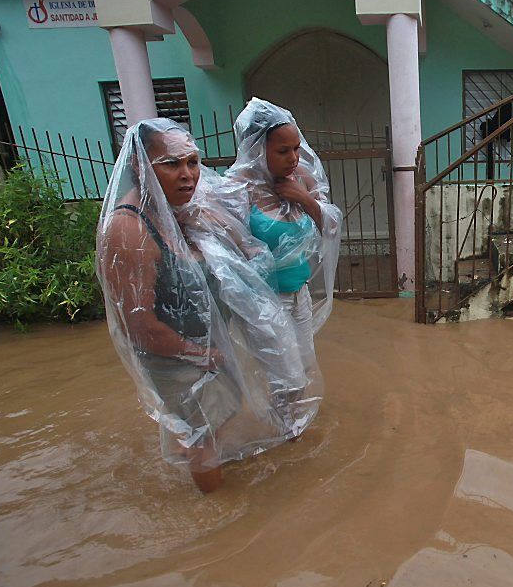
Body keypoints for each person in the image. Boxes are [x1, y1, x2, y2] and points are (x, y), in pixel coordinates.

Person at [95, 118, 314, 493]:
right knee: (202, 439)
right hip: (173, 355)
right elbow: (139, 325)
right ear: (140, 166)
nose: (187, 175)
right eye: (172, 164)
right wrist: (199, 353)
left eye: (193, 163)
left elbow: (245, 251)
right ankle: (216, 516)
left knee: (217, 420)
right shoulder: (128, 230)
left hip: (208, 346)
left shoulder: (186, 212)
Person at [224, 99, 342, 400]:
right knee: (285, 380)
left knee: (302, 370)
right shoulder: (235, 190)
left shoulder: (301, 178)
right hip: (263, 301)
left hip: (298, 292)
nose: (293, 157)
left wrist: (305, 199)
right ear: (256, 148)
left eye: (296, 148)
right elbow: (227, 252)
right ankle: (288, 436)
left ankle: (293, 433)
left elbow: (330, 227)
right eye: (282, 151)